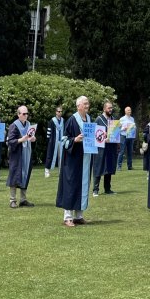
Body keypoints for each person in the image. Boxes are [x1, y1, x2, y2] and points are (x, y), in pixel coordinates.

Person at [56, 96, 95, 227]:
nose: (87, 105)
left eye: (88, 103)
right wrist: (75, 140)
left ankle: (79, 216)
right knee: (71, 186)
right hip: (73, 161)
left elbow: (93, 137)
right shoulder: (72, 120)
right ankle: (68, 217)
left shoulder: (89, 119)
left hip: (85, 159)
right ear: (78, 106)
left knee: (83, 186)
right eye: (84, 104)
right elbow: (63, 140)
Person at [6, 106, 36, 208]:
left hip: (27, 154)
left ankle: (23, 199)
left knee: (25, 176)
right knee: (14, 176)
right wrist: (20, 140)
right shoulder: (14, 126)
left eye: (27, 113)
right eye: (24, 114)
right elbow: (10, 141)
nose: (26, 116)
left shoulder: (28, 125)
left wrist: (32, 139)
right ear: (18, 114)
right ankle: (12, 200)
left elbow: (30, 137)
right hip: (17, 156)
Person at [92, 101, 117, 196]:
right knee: (99, 167)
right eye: (109, 108)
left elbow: (115, 134)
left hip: (110, 147)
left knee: (109, 167)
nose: (110, 109)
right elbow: (95, 134)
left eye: (111, 108)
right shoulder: (98, 119)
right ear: (104, 109)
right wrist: (103, 138)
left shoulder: (113, 119)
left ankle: (107, 189)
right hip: (100, 148)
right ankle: (95, 190)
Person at [45, 105, 64, 178]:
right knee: (50, 155)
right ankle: (47, 171)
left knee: (61, 157)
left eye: (61, 111)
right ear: (56, 112)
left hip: (61, 141)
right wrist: (49, 140)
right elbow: (49, 132)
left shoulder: (63, 120)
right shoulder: (52, 121)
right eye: (59, 111)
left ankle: (60, 171)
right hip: (53, 141)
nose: (60, 113)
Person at [118, 106, 136, 170]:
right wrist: (124, 128)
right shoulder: (121, 119)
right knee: (122, 151)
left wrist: (134, 128)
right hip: (123, 136)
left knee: (130, 152)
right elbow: (118, 129)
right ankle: (119, 166)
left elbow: (133, 127)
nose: (129, 111)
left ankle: (130, 166)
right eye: (128, 110)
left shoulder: (132, 119)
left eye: (130, 110)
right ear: (125, 111)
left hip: (130, 137)